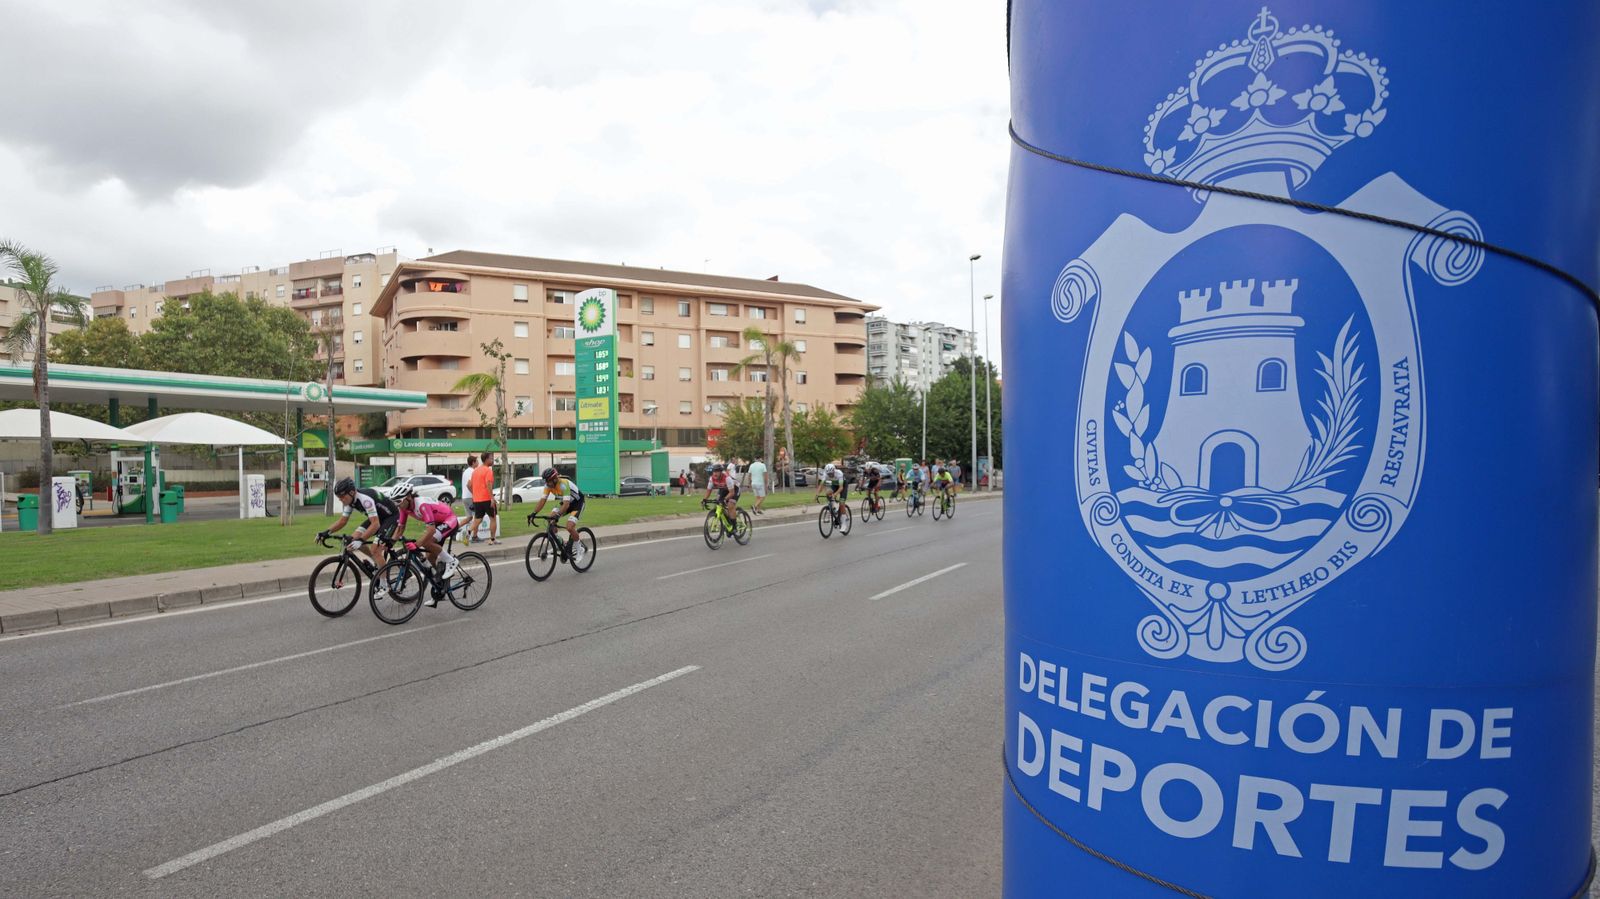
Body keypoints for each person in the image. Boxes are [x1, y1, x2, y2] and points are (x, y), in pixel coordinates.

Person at [319, 477, 398, 595]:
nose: (340, 500)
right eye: (339, 497)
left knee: (375, 549)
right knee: (353, 539)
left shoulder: (365, 499)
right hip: (378, 518)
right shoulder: (350, 501)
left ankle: (384, 584)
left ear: (351, 492)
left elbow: (375, 525)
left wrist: (361, 540)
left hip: (391, 517)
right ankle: (377, 562)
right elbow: (342, 521)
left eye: (342, 497)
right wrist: (327, 532)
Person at [390, 483, 460, 607]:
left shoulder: (421, 504)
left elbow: (431, 530)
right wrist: (388, 543)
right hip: (438, 523)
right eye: (395, 502)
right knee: (429, 559)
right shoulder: (404, 508)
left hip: (449, 520)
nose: (397, 504)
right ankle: (439, 589)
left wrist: (417, 544)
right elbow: (400, 529)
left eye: (399, 501)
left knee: (427, 543)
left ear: (408, 497)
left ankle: (452, 561)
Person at [527, 466, 586, 560]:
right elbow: (543, 500)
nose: (546, 483)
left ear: (554, 479)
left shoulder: (563, 484)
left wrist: (558, 516)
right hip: (566, 502)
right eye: (546, 481)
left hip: (577, 503)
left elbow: (566, 505)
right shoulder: (548, 486)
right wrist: (534, 513)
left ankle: (580, 549)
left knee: (569, 527)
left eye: (548, 481)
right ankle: (560, 543)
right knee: (550, 520)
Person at [467, 452, 498, 545]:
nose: (492, 460)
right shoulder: (488, 470)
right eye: (491, 458)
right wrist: (492, 498)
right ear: (487, 459)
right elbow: (488, 484)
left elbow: (469, 485)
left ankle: (468, 531)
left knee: (478, 519)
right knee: (493, 518)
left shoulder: (475, 471)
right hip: (487, 499)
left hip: (477, 500)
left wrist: (475, 494)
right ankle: (492, 540)